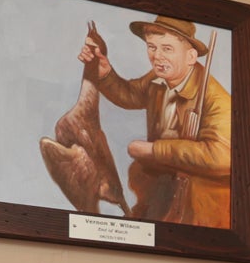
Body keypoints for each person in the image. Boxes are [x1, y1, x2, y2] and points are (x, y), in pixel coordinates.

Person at [81, 14, 231, 227]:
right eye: (152, 47)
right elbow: (131, 95)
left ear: (191, 56)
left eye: (167, 49)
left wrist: (154, 150)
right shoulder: (158, 78)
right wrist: (105, 74)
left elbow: (222, 156)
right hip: (160, 191)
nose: (157, 56)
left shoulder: (216, 99)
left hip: (199, 207)